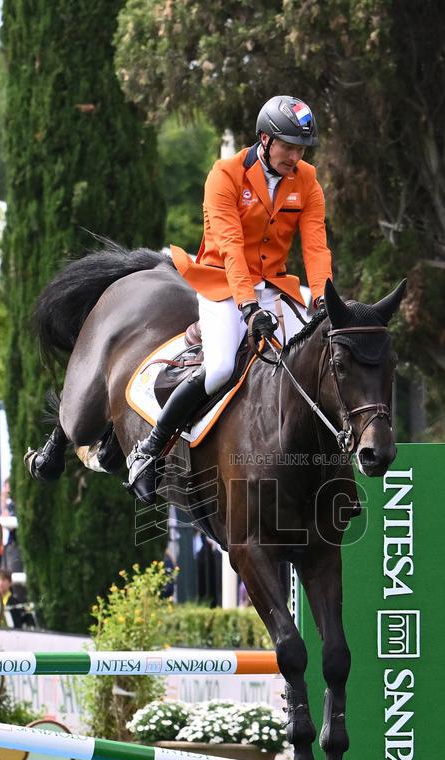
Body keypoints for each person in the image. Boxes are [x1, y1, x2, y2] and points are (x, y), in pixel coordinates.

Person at [127, 95, 332, 500]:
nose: (296, 156)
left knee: (318, 360)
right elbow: (231, 246)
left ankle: (330, 472)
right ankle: (149, 450)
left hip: (275, 285)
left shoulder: (307, 181)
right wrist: (248, 306)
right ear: (264, 139)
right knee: (221, 367)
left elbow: (316, 247)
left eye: (301, 148)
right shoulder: (225, 175)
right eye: (288, 146)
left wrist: (322, 298)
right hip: (222, 283)